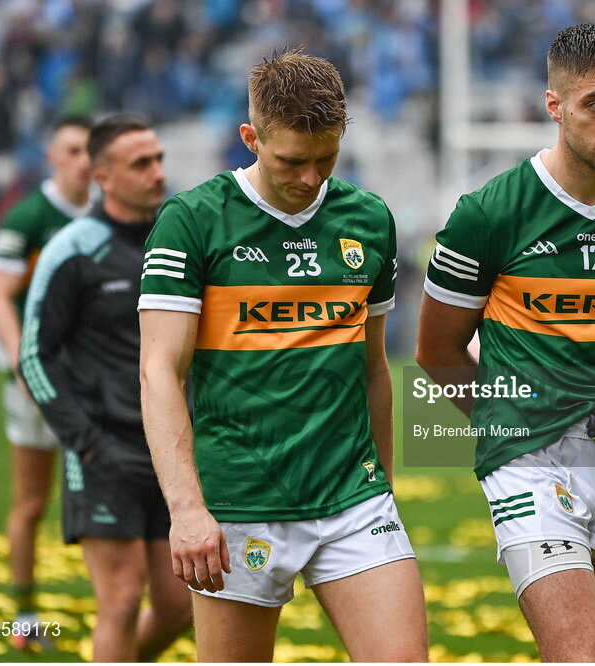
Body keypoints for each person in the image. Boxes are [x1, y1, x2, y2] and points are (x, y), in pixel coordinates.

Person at [416, 24, 595, 662]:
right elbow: (437, 352)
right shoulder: (488, 213)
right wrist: (509, 420)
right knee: (585, 656)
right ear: (555, 106)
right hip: (529, 457)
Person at [137, 50, 428, 662]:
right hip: (239, 502)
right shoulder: (191, 222)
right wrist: (187, 509)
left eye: (326, 159)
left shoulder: (369, 221)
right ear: (251, 137)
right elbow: (159, 371)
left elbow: (373, 367)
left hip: (354, 498)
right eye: (292, 161)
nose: (309, 178)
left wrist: (386, 487)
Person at [19, 116, 192, 661]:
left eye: (160, 158)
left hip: (173, 450)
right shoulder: (72, 249)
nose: (158, 172)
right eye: (142, 163)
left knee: (179, 606)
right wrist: (84, 440)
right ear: (102, 176)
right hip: (103, 451)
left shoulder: (180, 237)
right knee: (119, 600)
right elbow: (33, 355)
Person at [0, 114, 92, 649]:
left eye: (89, 150)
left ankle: (116, 608)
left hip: (97, 386)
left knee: (107, 493)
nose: (82, 160)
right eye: (71, 150)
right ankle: (23, 620)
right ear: (51, 156)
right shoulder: (28, 217)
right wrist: (22, 360)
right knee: (31, 500)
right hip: (38, 382)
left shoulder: (109, 215)